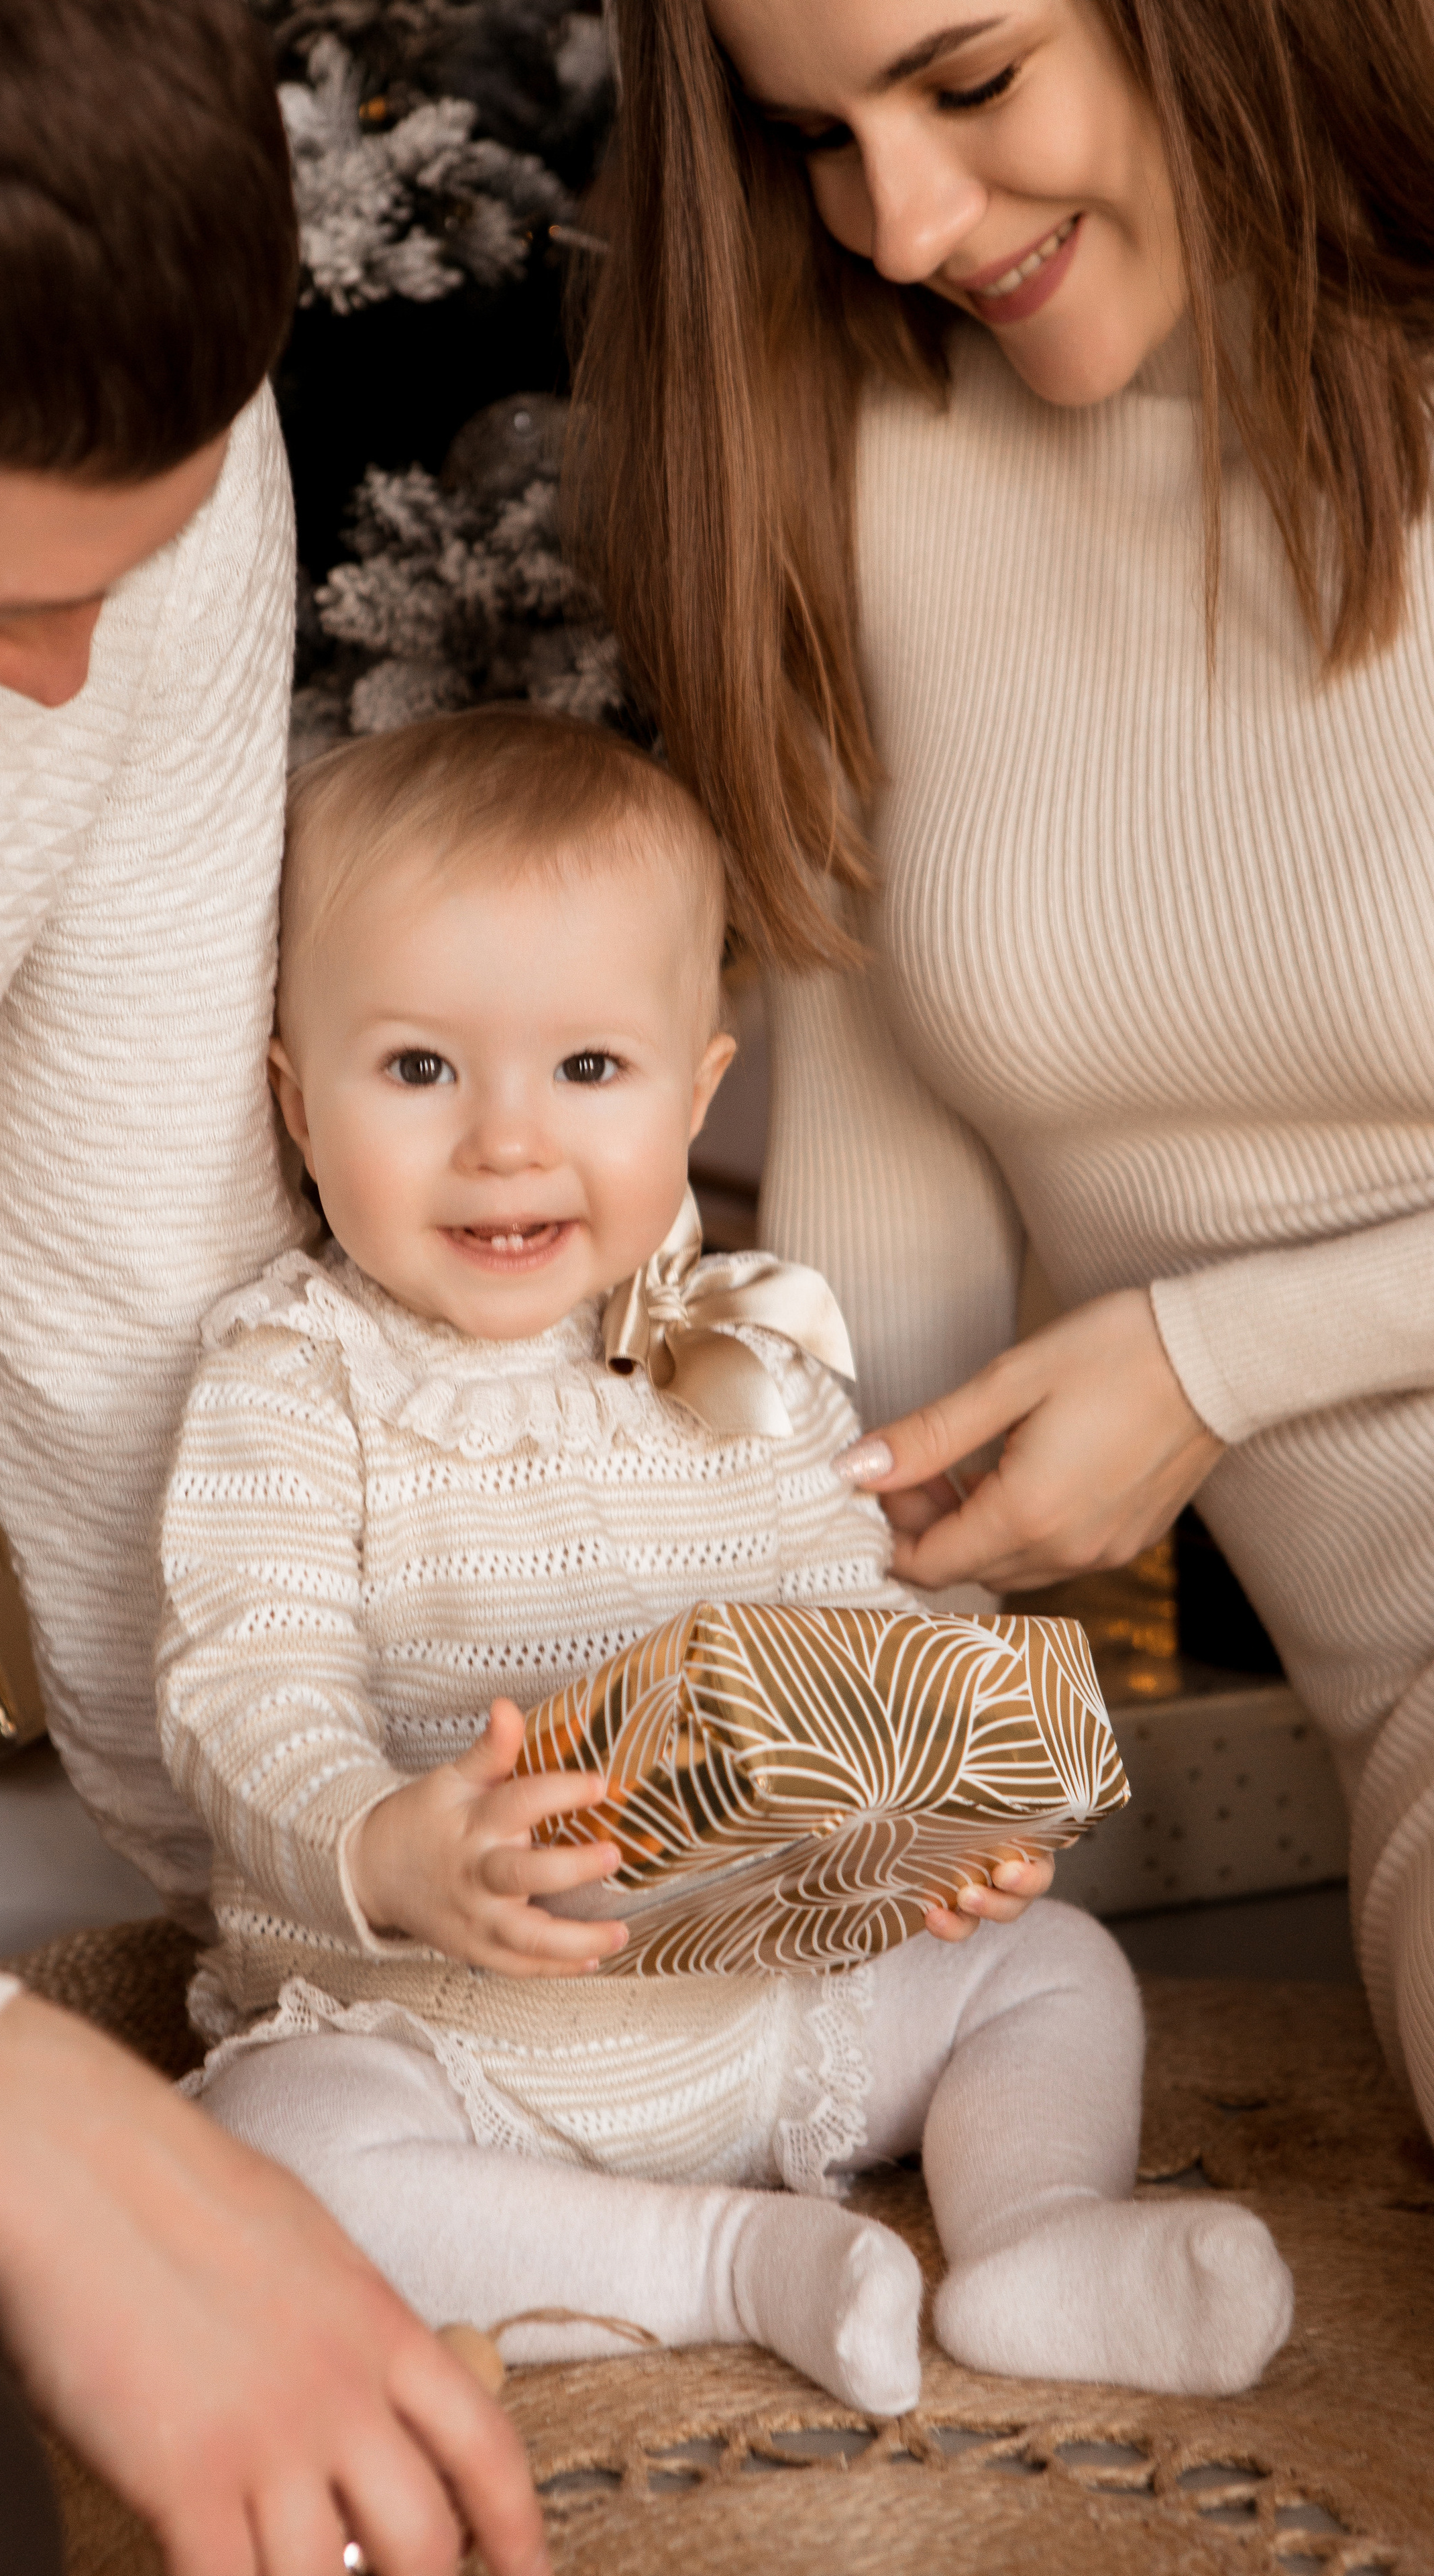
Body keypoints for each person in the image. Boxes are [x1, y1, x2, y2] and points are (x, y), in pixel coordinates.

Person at [0, 5, 545, 2571]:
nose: (76, 673)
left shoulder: (124, 515)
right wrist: (6, 2118)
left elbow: (124, 1335)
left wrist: (387, 1881)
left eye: (135, 562)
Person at [154, 704, 1292, 2413]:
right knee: (264, 2169)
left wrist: (936, 1819)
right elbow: (245, 1683)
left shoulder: (737, 1354)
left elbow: (859, 1620)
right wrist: (387, 1844)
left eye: (587, 1070)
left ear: (697, 1086)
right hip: (443, 2043)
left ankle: (1040, 2233)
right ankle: (718, 2266)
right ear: (292, 1100)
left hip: (770, 2017)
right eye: (416, 1069)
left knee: (1048, 1968)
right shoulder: (292, 1375)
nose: (505, 1140)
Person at [571, 0, 1434, 2137]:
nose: (899, 221)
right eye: (816, 143)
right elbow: (887, 1318)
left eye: (967, 83)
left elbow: (1182, 1372)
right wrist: (736, 1838)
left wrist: (1217, 1361)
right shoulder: (865, 472)